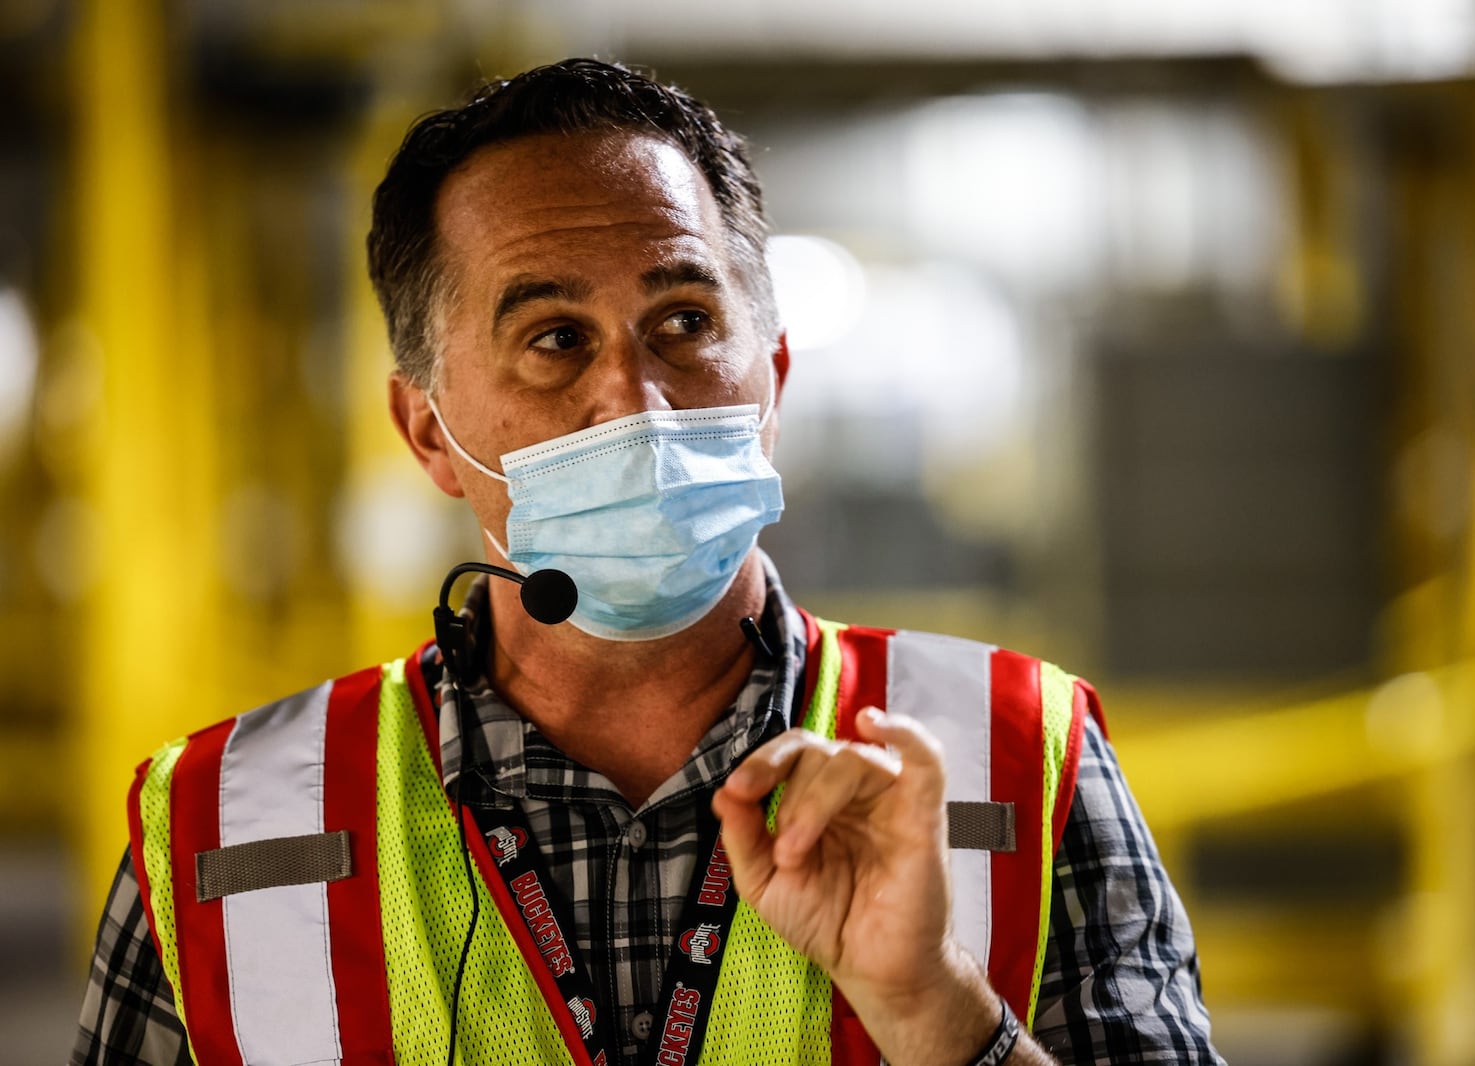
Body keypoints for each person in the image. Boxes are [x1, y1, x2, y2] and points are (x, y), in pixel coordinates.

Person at [72, 58, 1223, 1066]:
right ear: (428, 430)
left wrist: (935, 1011)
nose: (633, 395)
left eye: (682, 320)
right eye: (554, 338)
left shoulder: (1015, 758)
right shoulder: (222, 829)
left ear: (771, 374)